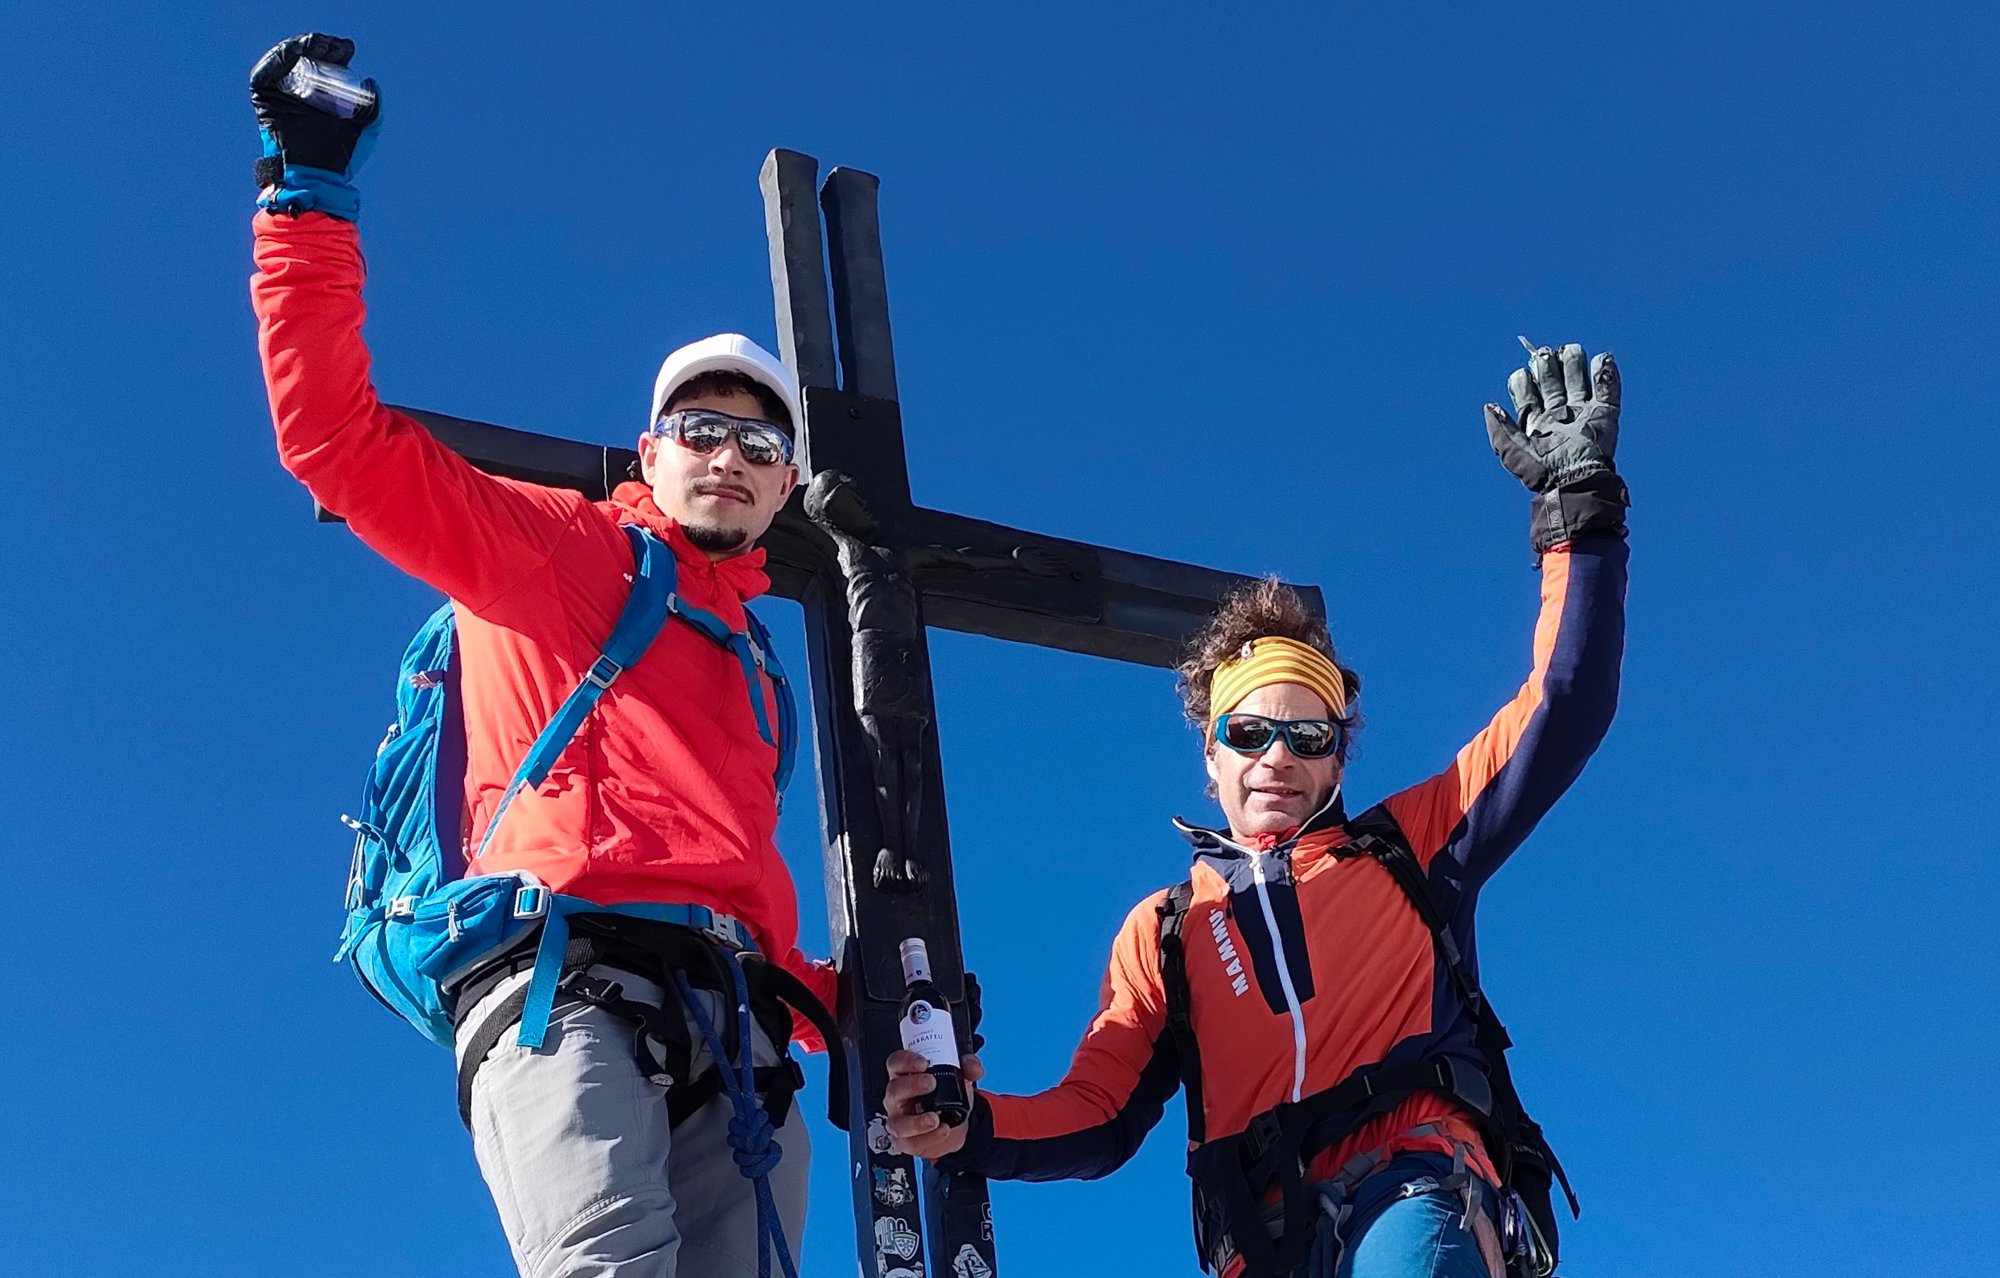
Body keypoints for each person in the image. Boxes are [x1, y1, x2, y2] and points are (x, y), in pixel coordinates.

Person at [247, 34, 830, 1278]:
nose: (726, 455)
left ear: (786, 486)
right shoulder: (562, 551)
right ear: (650, 449)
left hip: (734, 1016)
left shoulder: (758, 663)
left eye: (757, 442)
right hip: (562, 972)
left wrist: (853, 1009)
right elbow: (338, 444)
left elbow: (739, 882)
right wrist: (307, 194)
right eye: (700, 427)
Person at [884, 341, 1630, 1278]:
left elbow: (1565, 703)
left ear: (1338, 757)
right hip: (1264, 1245)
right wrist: (972, 1130)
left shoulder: (1409, 846)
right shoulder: (1165, 933)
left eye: (1309, 736)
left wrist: (1578, 515)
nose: (1277, 755)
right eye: (1249, 732)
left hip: (1413, 1185)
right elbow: (1099, 1111)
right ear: (1210, 751)